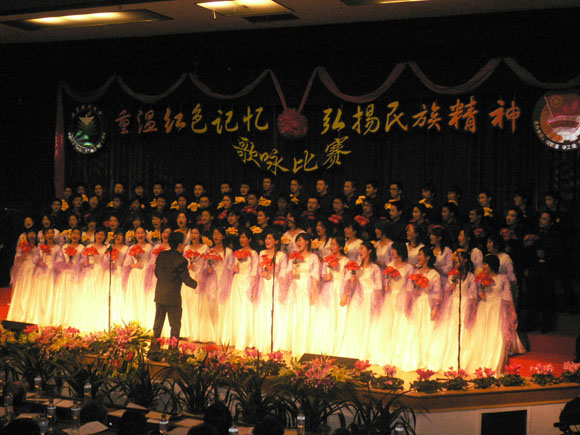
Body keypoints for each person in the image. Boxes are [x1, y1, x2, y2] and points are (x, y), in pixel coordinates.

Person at [153, 231, 198, 341]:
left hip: (160, 294)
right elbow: (185, 278)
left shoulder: (162, 255)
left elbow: (157, 273)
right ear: (180, 245)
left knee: (158, 323)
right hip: (173, 296)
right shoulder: (181, 260)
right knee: (175, 325)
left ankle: (154, 347)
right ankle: (172, 349)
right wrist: (196, 283)